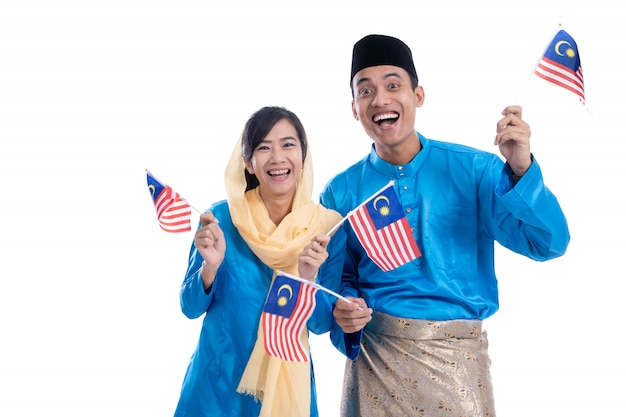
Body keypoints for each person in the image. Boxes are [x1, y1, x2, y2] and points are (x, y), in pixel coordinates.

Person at [320, 34, 570, 417]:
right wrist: (345, 312)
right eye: (365, 90)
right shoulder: (341, 191)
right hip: (375, 362)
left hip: (459, 368)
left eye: (393, 85)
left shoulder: (475, 170)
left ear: (418, 95)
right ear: (354, 108)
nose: (380, 100)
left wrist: (521, 170)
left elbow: (549, 242)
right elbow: (336, 283)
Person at [173, 106, 346, 417]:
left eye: (288, 145)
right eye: (263, 147)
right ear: (248, 164)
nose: (277, 157)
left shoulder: (326, 228)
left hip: (286, 392)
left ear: (303, 156)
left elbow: (321, 324)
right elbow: (189, 306)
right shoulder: (222, 218)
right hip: (216, 389)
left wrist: (308, 279)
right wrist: (209, 267)